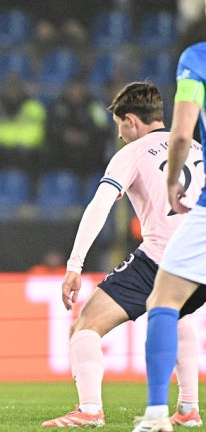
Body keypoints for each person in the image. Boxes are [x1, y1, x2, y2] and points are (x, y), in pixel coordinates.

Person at [41, 81, 205, 428]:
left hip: (163, 257)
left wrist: (74, 265)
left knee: (85, 325)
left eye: (119, 126)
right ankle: (189, 409)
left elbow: (99, 206)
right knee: (178, 313)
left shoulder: (131, 154)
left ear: (131, 120)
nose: (119, 135)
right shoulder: (193, 146)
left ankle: (89, 410)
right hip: (201, 257)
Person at [132, 16, 206, 432]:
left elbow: (180, 135)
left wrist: (172, 179)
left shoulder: (197, 59)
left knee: (163, 300)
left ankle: (158, 413)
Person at [45, 77, 112, 181]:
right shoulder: (58, 105)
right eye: (74, 89)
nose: (76, 92)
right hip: (63, 150)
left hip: (88, 149)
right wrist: (66, 135)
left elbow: (102, 127)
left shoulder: (95, 106)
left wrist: (85, 136)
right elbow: (51, 127)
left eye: (79, 89)